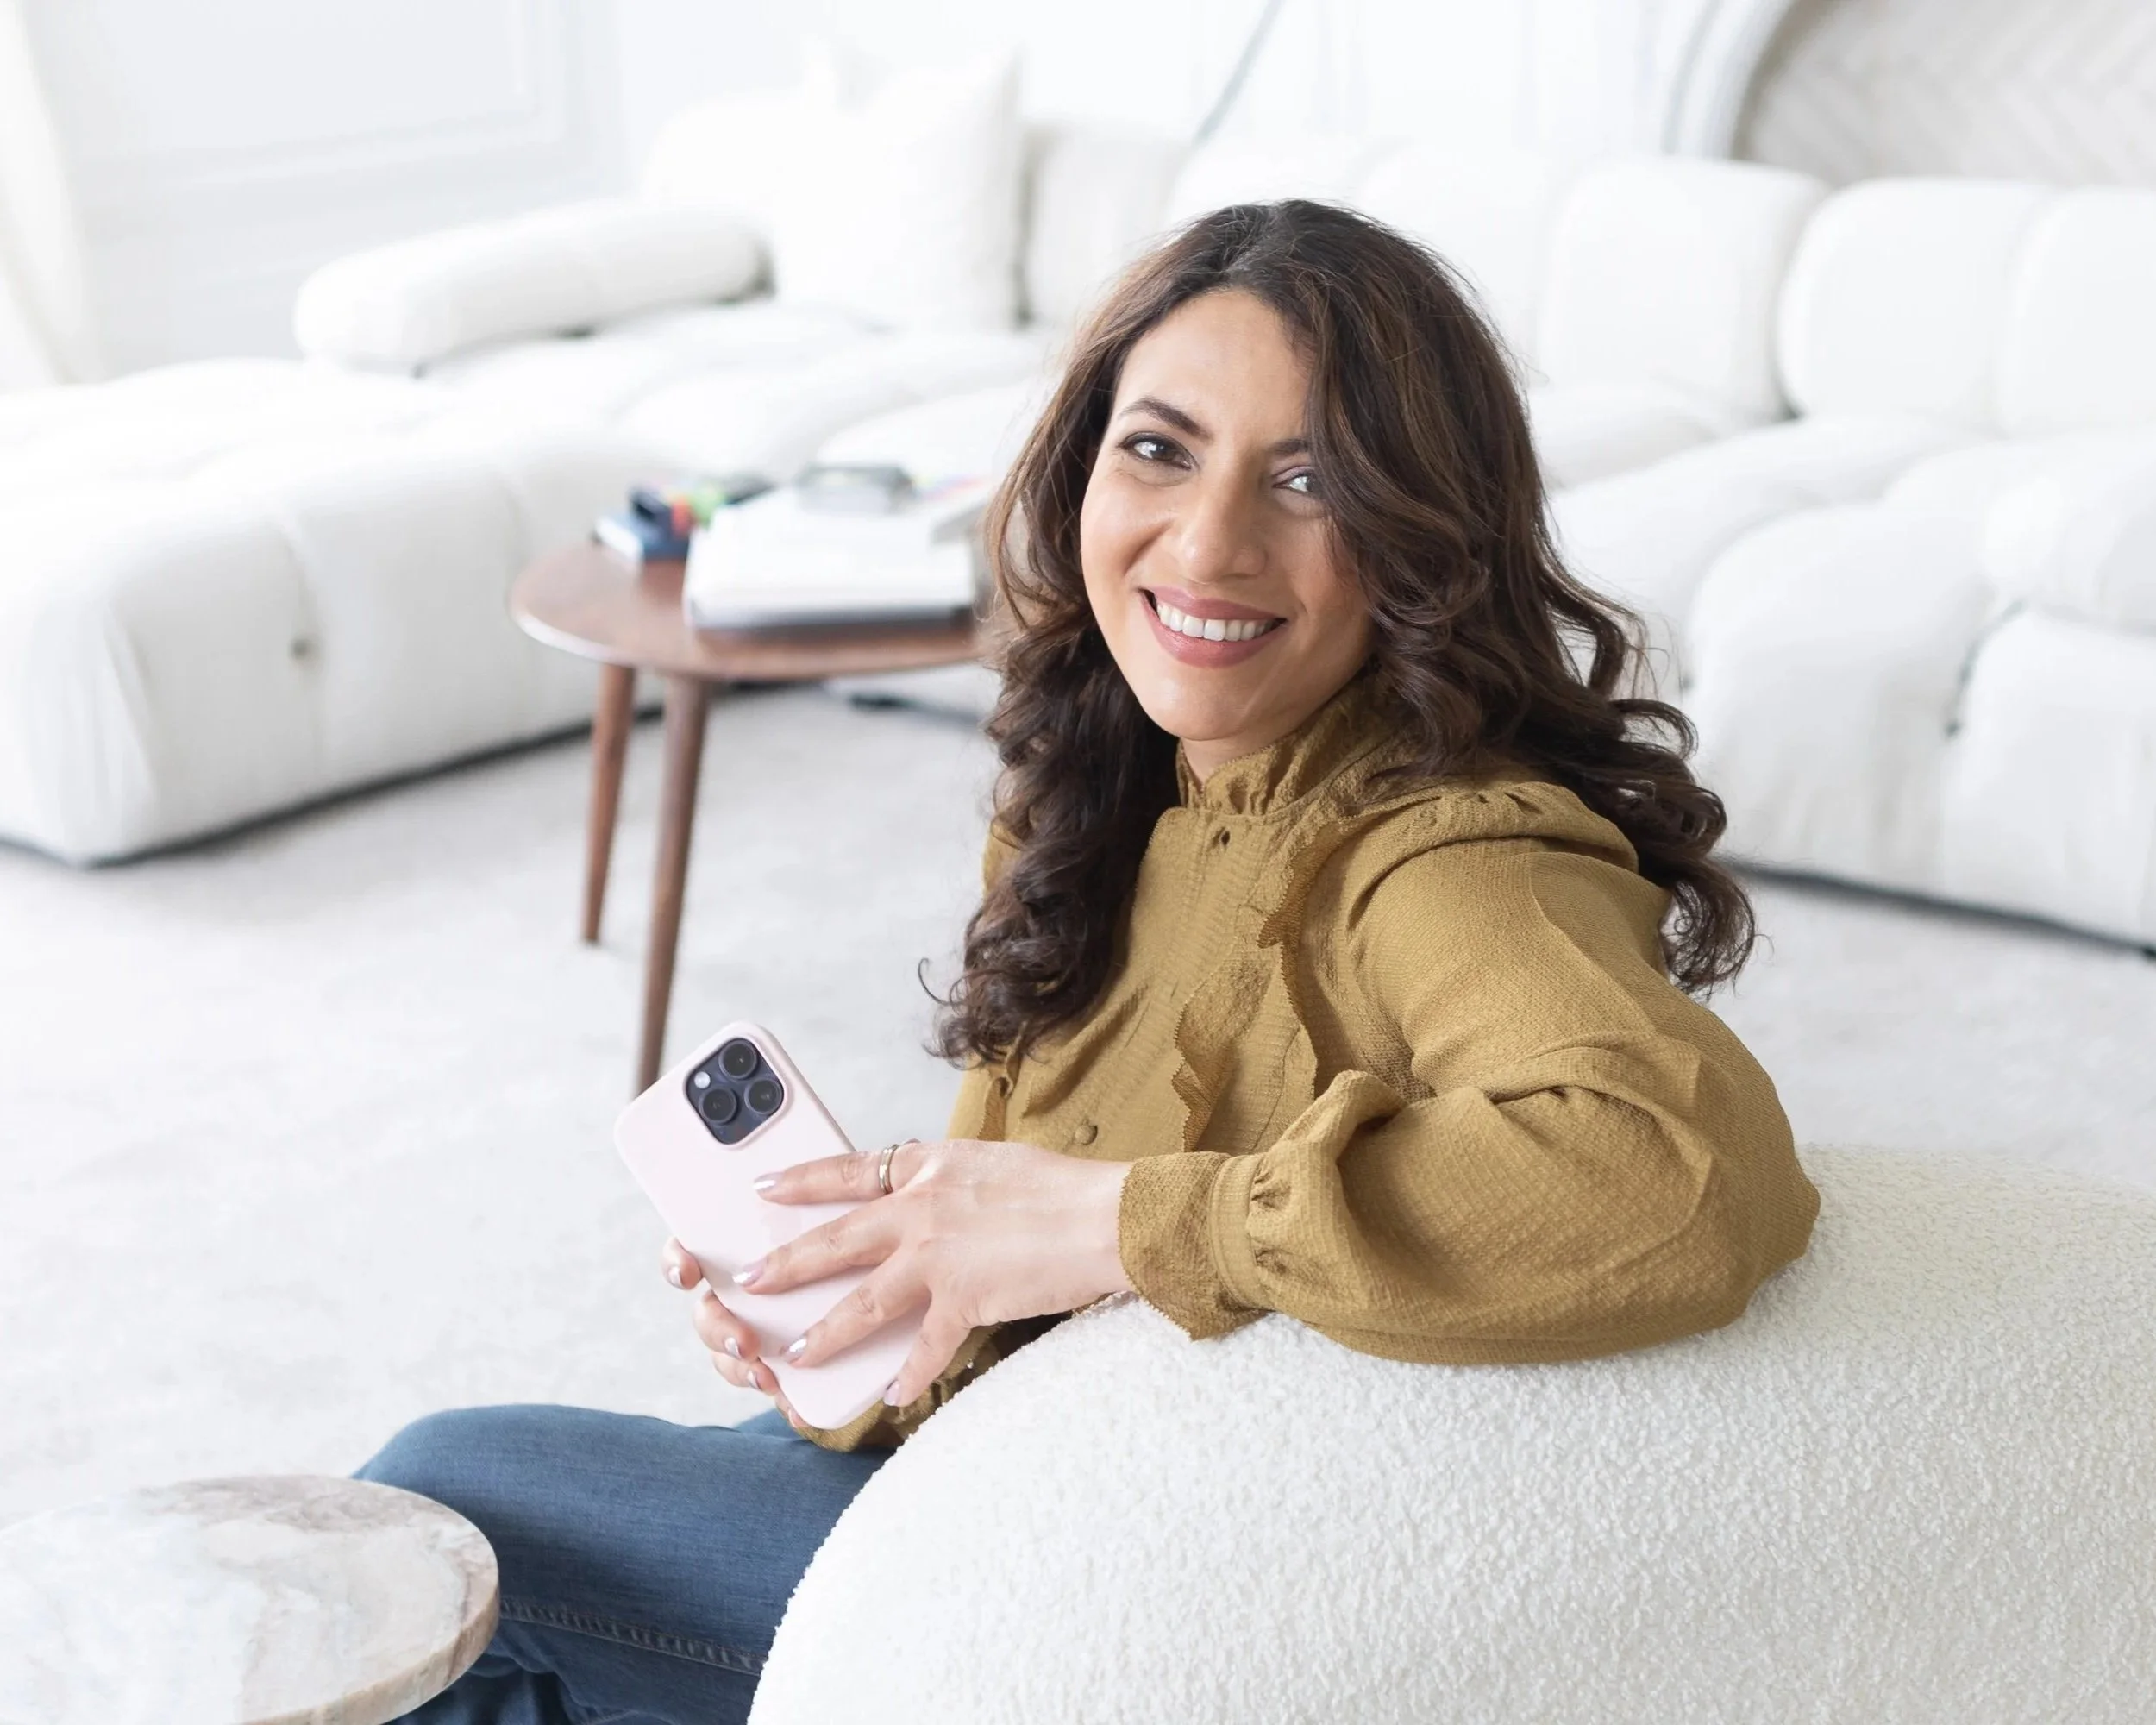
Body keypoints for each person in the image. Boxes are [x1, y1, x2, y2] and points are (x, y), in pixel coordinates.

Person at [360, 198, 1820, 1723]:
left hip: (1093, 1581)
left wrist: (1129, 1225)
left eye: (1309, 478)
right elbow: (1044, 1221)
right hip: (957, 1456)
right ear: (1080, 471)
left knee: (434, 1517)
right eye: (1159, 449)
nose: (1208, 543)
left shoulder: (1443, 852)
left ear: (1419, 538)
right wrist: (893, 1287)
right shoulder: (1117, 780)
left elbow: (1684, 1170)